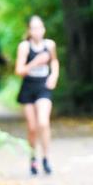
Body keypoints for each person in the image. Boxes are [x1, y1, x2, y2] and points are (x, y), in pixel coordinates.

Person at [15, 16, 59, 176]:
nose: (37, 31)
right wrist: (35, 63)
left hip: (43, 87)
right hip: (28, 87)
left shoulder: (49, 45)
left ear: (44, 29)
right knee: (32, 127)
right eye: (33, 28)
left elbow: (54, 62)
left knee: (43, 121)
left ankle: (46, 158)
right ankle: (33, 157)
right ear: (29, 31)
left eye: (40, 27)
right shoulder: (24, 47)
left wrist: (54, 76)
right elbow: (19, 70)